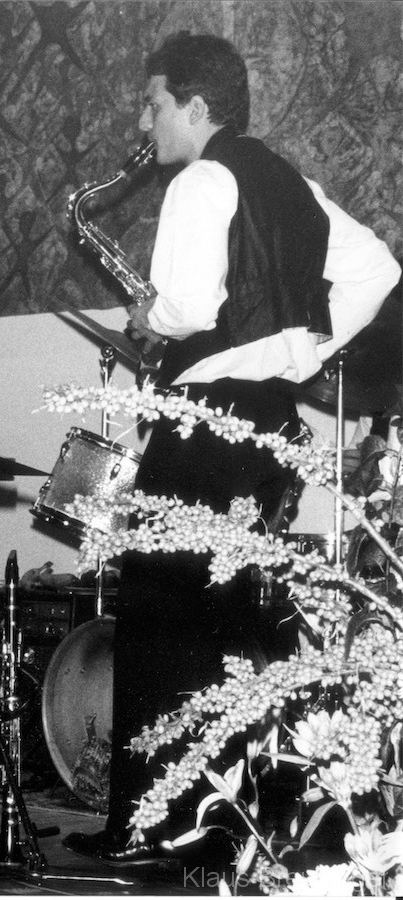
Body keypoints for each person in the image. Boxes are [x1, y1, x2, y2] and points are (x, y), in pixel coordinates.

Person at [63, 33, 400, 868]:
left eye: (154, 103)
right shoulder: (290, 182)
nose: (144, 121)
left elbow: (185, 306)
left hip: (207, 418)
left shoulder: (199, 180)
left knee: (158, 612)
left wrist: (151, 318)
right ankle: (222, 826)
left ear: (195, 106)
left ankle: (149, 828)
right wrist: (304, 351)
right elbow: (376, 268)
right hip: (265, 423)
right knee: (222, 621)